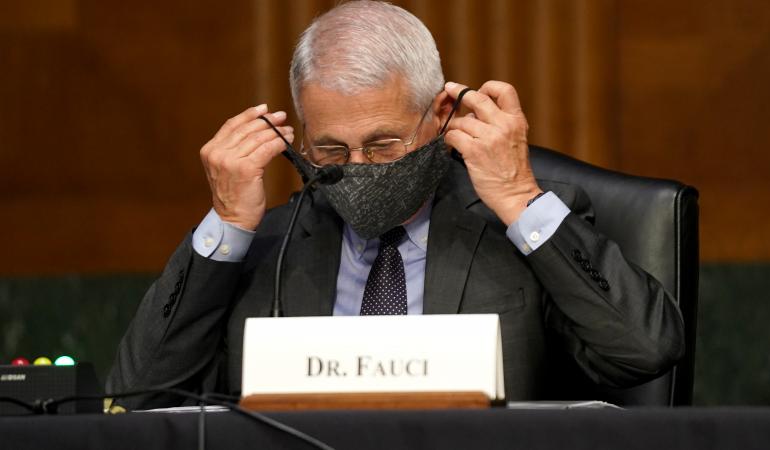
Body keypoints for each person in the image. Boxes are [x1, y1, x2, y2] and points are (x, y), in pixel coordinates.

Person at [108, 1, 684, 408]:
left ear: (439, 116)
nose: (358, 167)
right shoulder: (267, 246)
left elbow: (644, 351)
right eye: (331, 147)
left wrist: (517, 197)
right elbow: (137, 400)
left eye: (383, 144)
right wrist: (228, 227)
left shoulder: (513, 227)